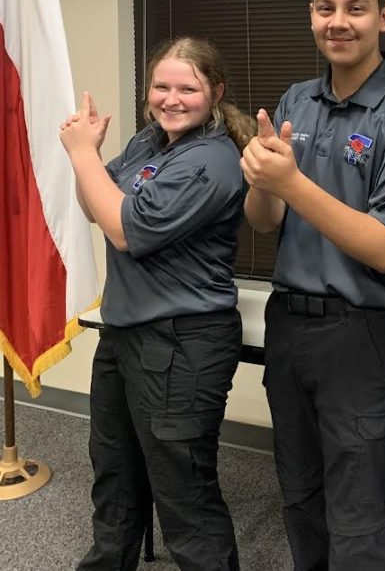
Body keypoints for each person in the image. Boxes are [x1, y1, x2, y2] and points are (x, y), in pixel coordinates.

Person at [241, 0, 385, 571]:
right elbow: (264, 221)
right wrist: (261, 178)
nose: (339, 22)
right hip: (291, 327)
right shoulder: (298, 98)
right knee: (300, 496)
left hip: (366, 336)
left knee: (362, 516)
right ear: (311, 16)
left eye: (355, 8)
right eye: (325, 8)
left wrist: (292, 181)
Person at [60, 37, 255, 571]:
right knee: (115, 475)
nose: (171, 98)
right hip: (124, 332)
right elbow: (97, 203)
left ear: (215, 91)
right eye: (161, 86)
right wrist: (92, 158)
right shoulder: (152, 140)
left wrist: (80, 155)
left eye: (187, 88)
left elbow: (125, 229)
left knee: (183, 495)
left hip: (180, 344)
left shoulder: (214, 160)